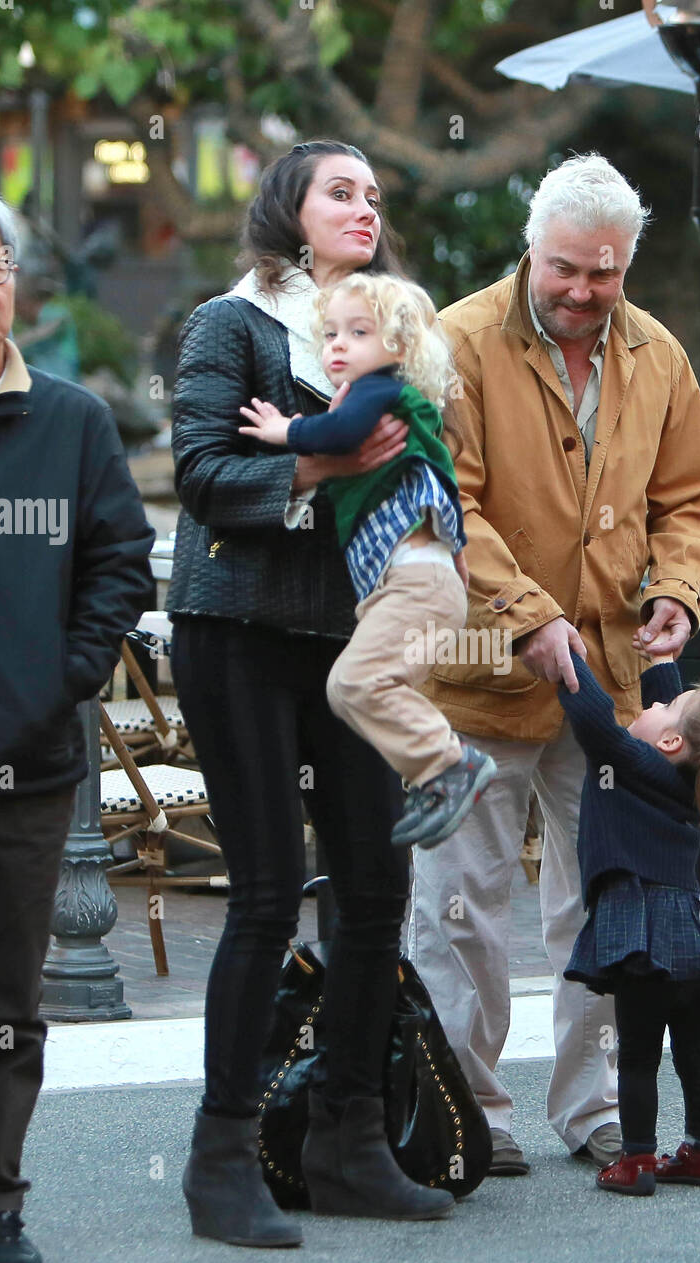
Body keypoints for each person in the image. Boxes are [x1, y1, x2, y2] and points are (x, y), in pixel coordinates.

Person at [407, 153, 700, 1175]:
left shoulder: (659, 354)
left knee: (605, 910)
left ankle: (594, 1111)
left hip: (614, 693)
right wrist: (529, 615)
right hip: (476, 674)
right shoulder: (452, 341)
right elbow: (438, 505)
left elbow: (692, 500)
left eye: (604, 272)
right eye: (563, 270)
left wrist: (678, 590)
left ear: (625, 261)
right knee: (459, 906)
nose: (582, 291)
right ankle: (469, 1112)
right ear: (528, 249)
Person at [168, 140, 454, 1244]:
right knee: (264, 893)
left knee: (378, 889)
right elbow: (201, 479)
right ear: (287, 208)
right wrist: (319, 466)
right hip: (235, 632)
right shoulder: (228, 326)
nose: (365, 207)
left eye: (376, 194)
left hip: (351, 649)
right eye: (341, 190)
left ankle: (348, 1139)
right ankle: (221, 1157)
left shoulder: (387, 338)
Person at [0, 185, 154, 1263]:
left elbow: (121, 563)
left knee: (5, 1009)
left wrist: (64, 673)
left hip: (26, 770)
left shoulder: (70, 421)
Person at [238, 271, 496, 848]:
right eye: (329, 333)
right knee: (362, 687)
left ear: (398, 348)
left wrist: (286, 430)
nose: (337, 345)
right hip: (416, 586)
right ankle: (435, 776)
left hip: (414, 585)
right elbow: (440, 480)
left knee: (355, 683)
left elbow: (341, 432)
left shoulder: (378, 391)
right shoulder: (400, 406)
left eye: (358, 332)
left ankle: (449, 764)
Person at [557, 645, 700, 1196]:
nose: (650, 704)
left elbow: (591, 719)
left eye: (666, 707)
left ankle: (635, 1162)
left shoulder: (628, 763)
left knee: (637, 1058)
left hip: (646, 937)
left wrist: (562, 649)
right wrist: (657, 653)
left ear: (669, 742)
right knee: (694, 1058)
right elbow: (665, 706)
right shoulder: (682, 777)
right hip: (697, 943)